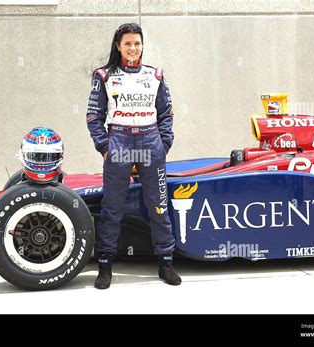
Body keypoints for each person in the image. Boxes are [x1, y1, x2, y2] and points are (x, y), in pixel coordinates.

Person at [86, 22, 181, 289]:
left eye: (137, 43)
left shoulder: (156, 75)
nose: (132, 48)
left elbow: (167, 113)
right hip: (119, 139)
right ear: (118, 46)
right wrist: (104, 147)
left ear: (142, 46)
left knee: (158, 205)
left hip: (151, 140)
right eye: (127, 43)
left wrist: (164, 144)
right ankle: (105, 265)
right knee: (112, 206)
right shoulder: (104, 75)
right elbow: (94, 116)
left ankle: (165, 261)